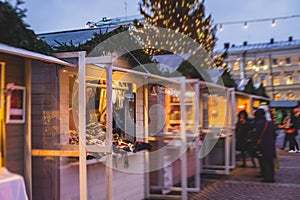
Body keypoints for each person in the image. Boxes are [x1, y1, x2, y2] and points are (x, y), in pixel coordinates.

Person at [253, 108, 276, 182]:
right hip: (270, 144)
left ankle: (267, 176)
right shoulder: (270, 123)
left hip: (262, 144)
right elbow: (274, 134)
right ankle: (271, 176)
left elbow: (255, 135)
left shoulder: (257, 123)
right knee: (270, 161)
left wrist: (254, 143)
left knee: (263, 160)